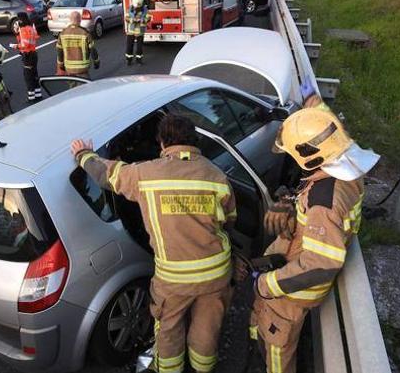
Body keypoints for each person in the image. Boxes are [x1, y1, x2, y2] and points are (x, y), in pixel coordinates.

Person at [70, 114, 237, 373]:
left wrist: (83, 155)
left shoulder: (146, 174)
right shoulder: (216, 177)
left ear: (162, 143)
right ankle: (203, 368)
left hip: (174, 279)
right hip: (216, 274)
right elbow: (229, 220)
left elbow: (106, 175)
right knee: (207, 329)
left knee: (169, 330)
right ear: (194, 139)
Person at [249, 85, 380, 373]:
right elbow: (327, 125)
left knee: (276, 349)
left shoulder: (325, 199)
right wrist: (313, 101)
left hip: (291, 296)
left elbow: (322, 263)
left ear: (310, 156)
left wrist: (267, 285)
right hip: (292, 265)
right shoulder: (343, 161)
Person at [56, 11, 100, 79]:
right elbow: (92, 50)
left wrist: (61, 65)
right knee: (85, 88)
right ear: (80, 20)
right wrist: (96, 62)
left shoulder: (63, 33)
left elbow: (59, 51)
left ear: (70, 20)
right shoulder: (85, 33)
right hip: (82, 69)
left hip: (69, 69)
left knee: (74, 89)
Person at [10, 12, 42, 102]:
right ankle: (38, 94)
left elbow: (24, 44)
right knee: (34, 75)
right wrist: (17, 34)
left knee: (28, 76)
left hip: (28, 56)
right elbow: (35, 37)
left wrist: (15, 46)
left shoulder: (23, 30)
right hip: (34, 54)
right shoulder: (31, 28)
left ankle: (31, 97)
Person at [125, 0, 152, 66]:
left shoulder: (145, 10)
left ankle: (139, 60)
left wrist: (142, 20)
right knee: (129, 46)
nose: (137, 7)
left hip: (140, 31)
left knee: (139, 47)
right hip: (131, 31)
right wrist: (132, 20)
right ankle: (129, 60)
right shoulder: (130, 9)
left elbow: (149, 17)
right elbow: (126, 18)